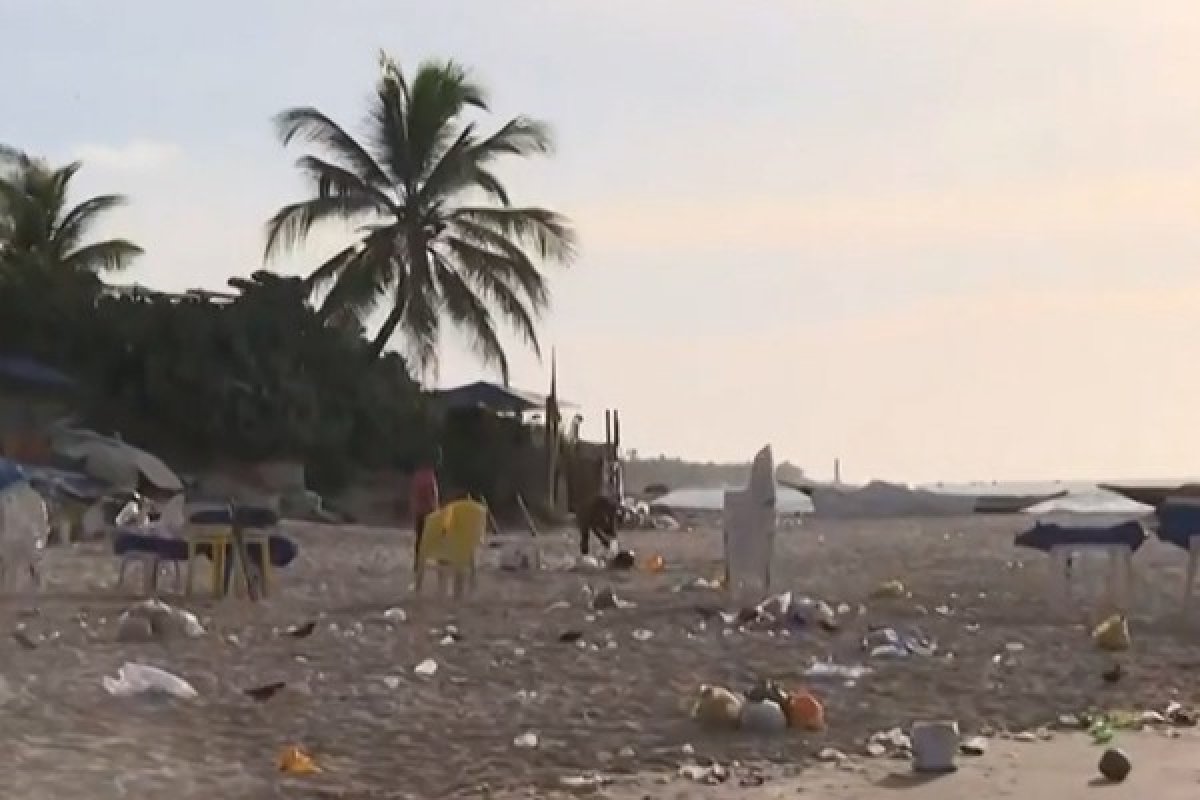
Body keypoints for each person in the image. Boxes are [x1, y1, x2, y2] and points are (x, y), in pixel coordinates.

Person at [409, 449, 441, 571]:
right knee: (434, 538)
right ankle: (436, 561)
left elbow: (414, 494)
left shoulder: (417, 476)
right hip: (428, 512)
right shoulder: (430, 477)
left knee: (419, 538)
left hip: (418, 511)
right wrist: (435, 509)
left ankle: (418, 563)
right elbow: (432, 495)